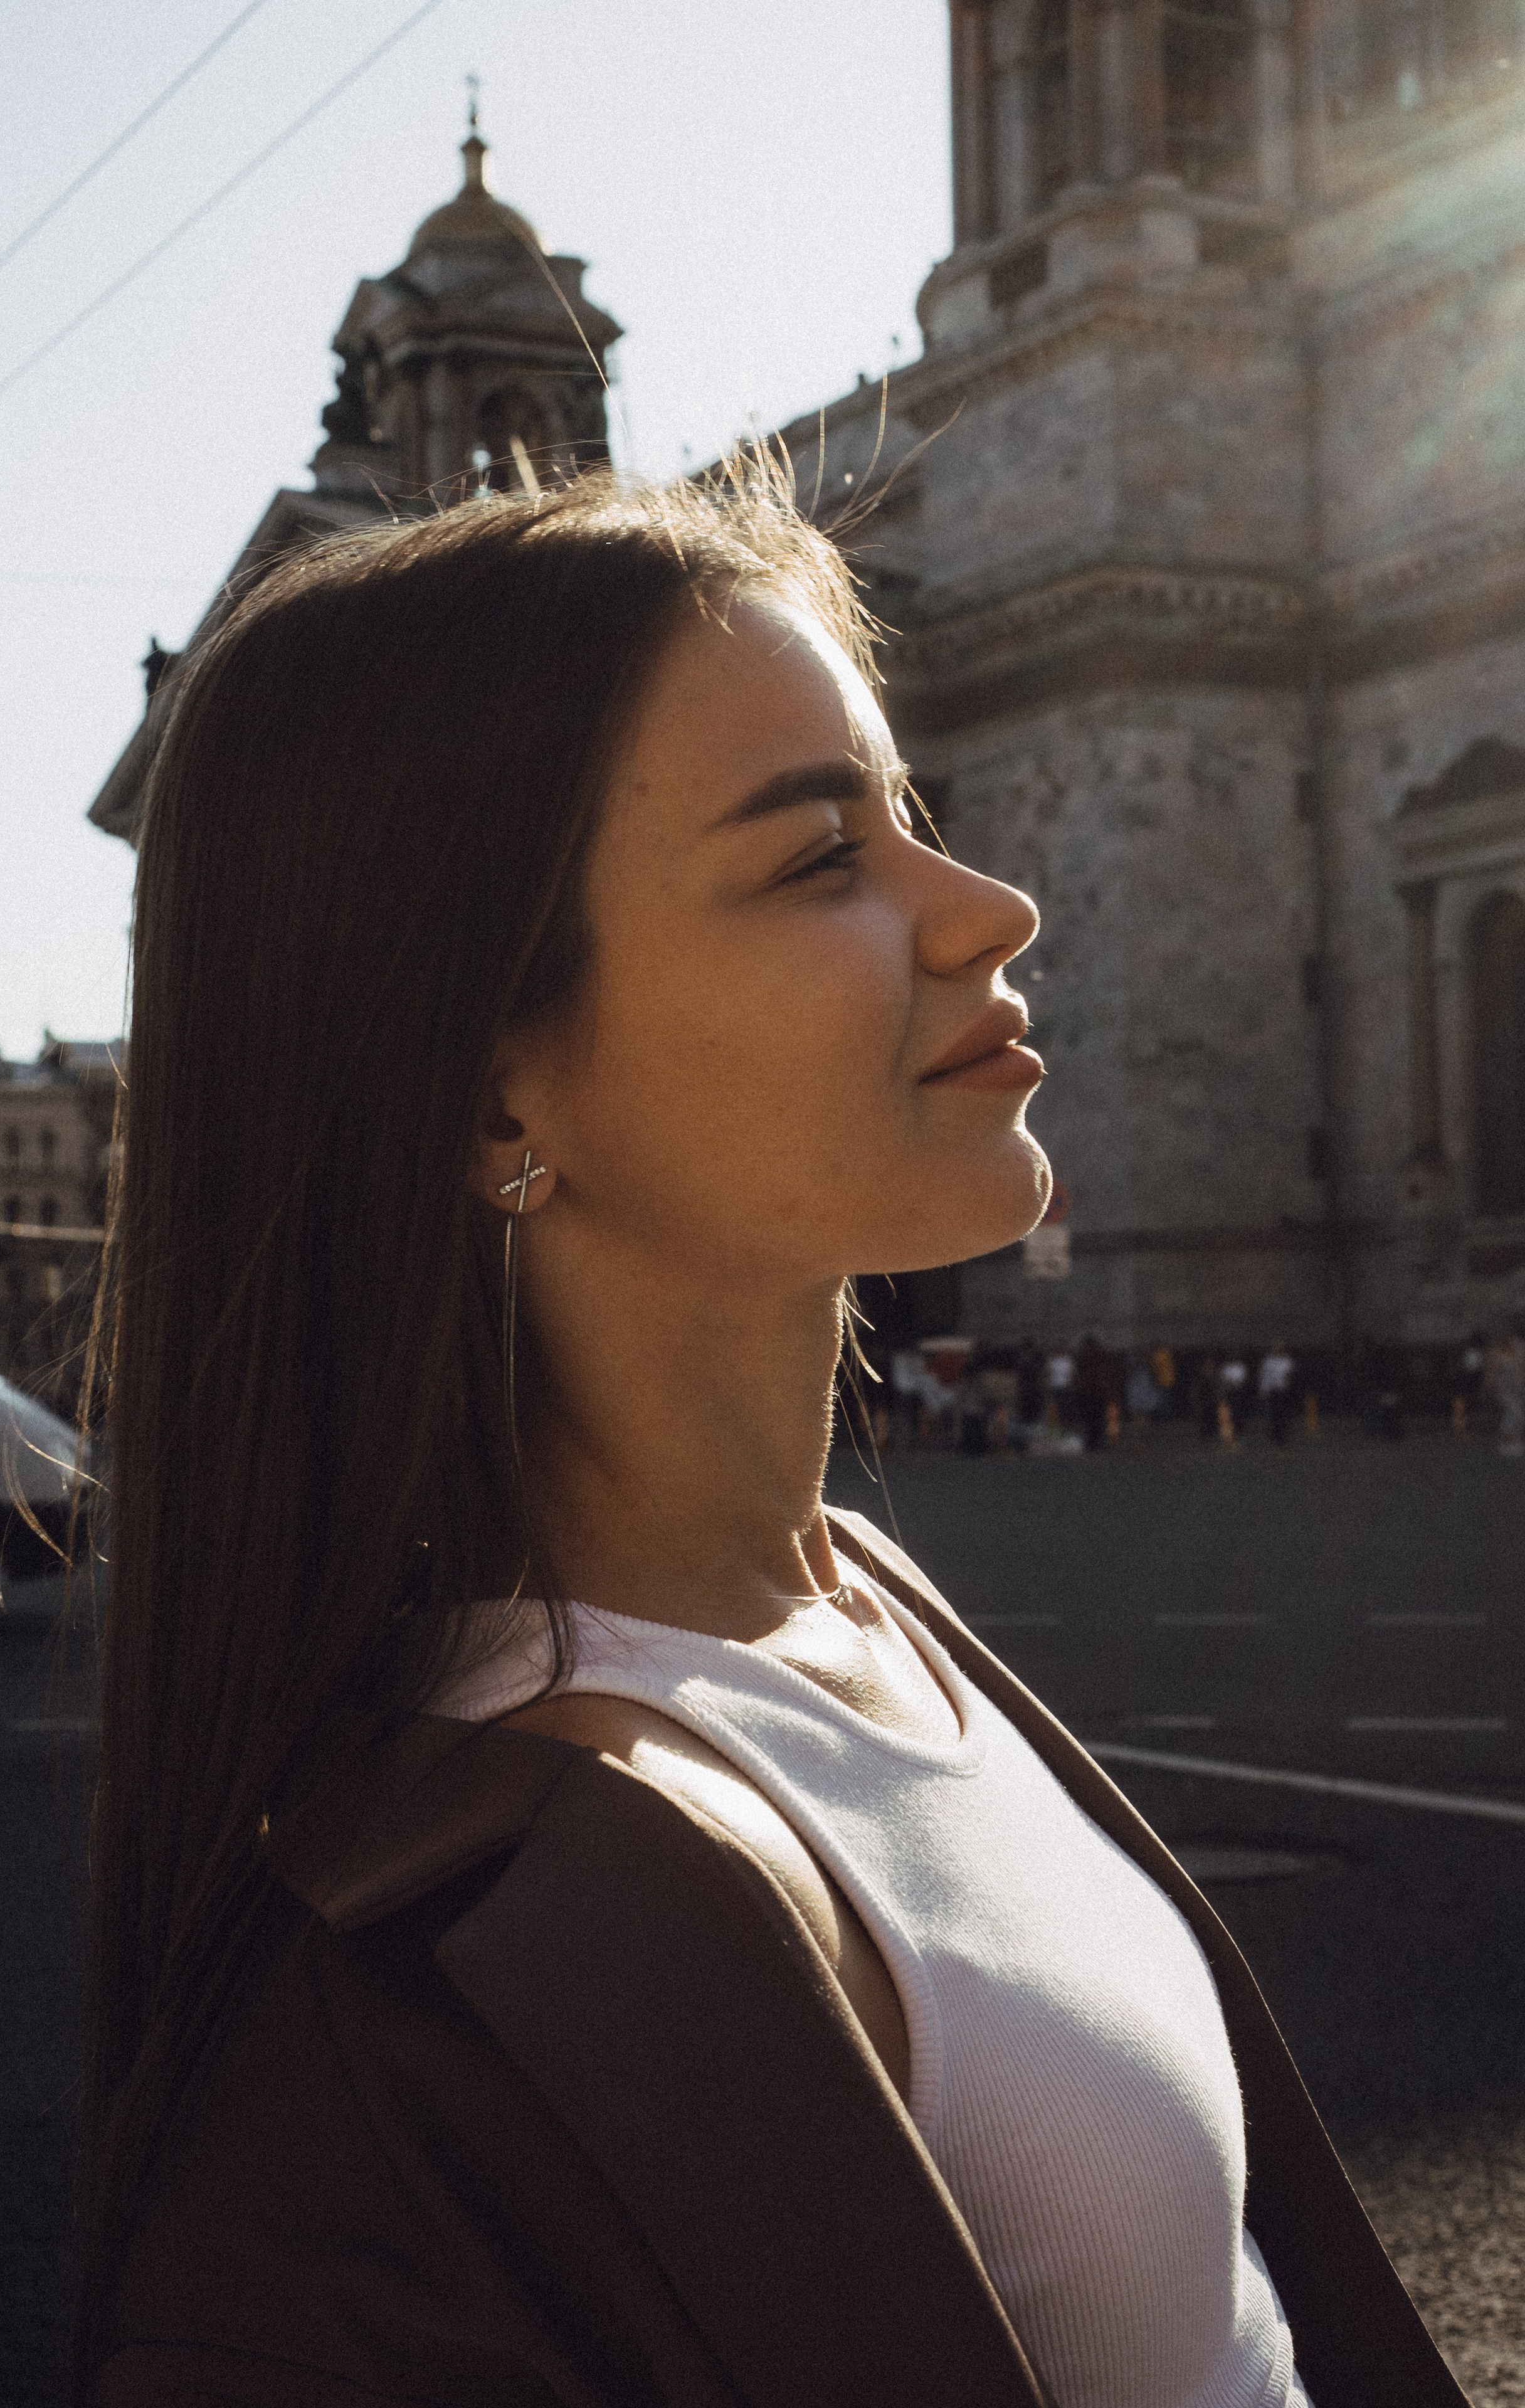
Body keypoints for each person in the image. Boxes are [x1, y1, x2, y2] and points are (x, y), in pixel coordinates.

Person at [77, 470, 1462, 2407]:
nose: (991, 907)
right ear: (488, 1101)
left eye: (912, 813)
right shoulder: (427, 2002)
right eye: (820, 857)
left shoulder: (844, 1603)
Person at [1486, 1329, 1525, 1459]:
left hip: (1514, 1390)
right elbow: (1492, 1374)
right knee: (1516, 1413)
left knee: (1517, 1415)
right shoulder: (1499, 1354)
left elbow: (1520, 1373)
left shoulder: (1517, 1356)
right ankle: (1504, 1441)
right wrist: (1486, 1389)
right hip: (1503, 1390)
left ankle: (1513, 1442)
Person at [1258, 1341, 1297, 1447]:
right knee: (1273, 1414)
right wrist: (1263, 1390)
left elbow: (1291, 1374)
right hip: (1273, 1391)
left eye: (1279, 1347)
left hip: (1284, 1391)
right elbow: (1264, 1376)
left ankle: (1283, 1437)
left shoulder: (1287, 1361)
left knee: (1284, 1414)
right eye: (1275, 1347)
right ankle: (1274, 1436)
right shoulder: (1268, 1361)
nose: (1277, 1349)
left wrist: (1288, 1382)